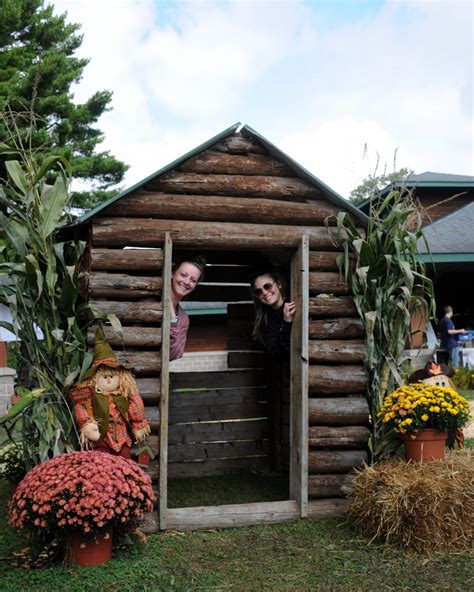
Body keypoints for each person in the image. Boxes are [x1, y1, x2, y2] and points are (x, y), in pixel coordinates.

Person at [69, 327, 150, 458]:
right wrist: (88, 424)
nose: (108, 380)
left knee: (124, 458)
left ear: (120, 377)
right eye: (104, 377)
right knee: (101, 460)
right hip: (102, 438)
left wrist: (138, 423)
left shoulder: (124, 393)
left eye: (112, 377)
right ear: (95, 378)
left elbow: (136, 404)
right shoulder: (90, 394)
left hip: (122, 436)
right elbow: (82, 407)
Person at [249, 268, 296, 355]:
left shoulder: (296, 302)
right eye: (258, 291)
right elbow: (279, 354)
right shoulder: (264, 322)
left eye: (267, 286)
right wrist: (287, 322)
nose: (264, 293)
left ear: (278, 284)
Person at [170, 255, 206, 360]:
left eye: (193, 280)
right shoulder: (150, 302)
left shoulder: (183, 318)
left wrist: (172, 319)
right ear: (172, 273)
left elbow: (174, 354)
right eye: (183, 275)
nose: (186, 282)